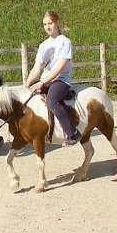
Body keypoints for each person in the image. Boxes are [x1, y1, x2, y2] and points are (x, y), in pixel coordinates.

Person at [24, 10, 81, 146]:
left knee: (52, 100)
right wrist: (27, 84)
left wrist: (42, 82)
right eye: (45, 24)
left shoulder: (65, 42)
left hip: (60, 80)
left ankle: (72, 133)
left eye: (50, 23)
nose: (48, 27)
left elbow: (60, 67)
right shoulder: (43, 45)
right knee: (29, 98)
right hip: (46, 79)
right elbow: (37, 68)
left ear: (57, 23)